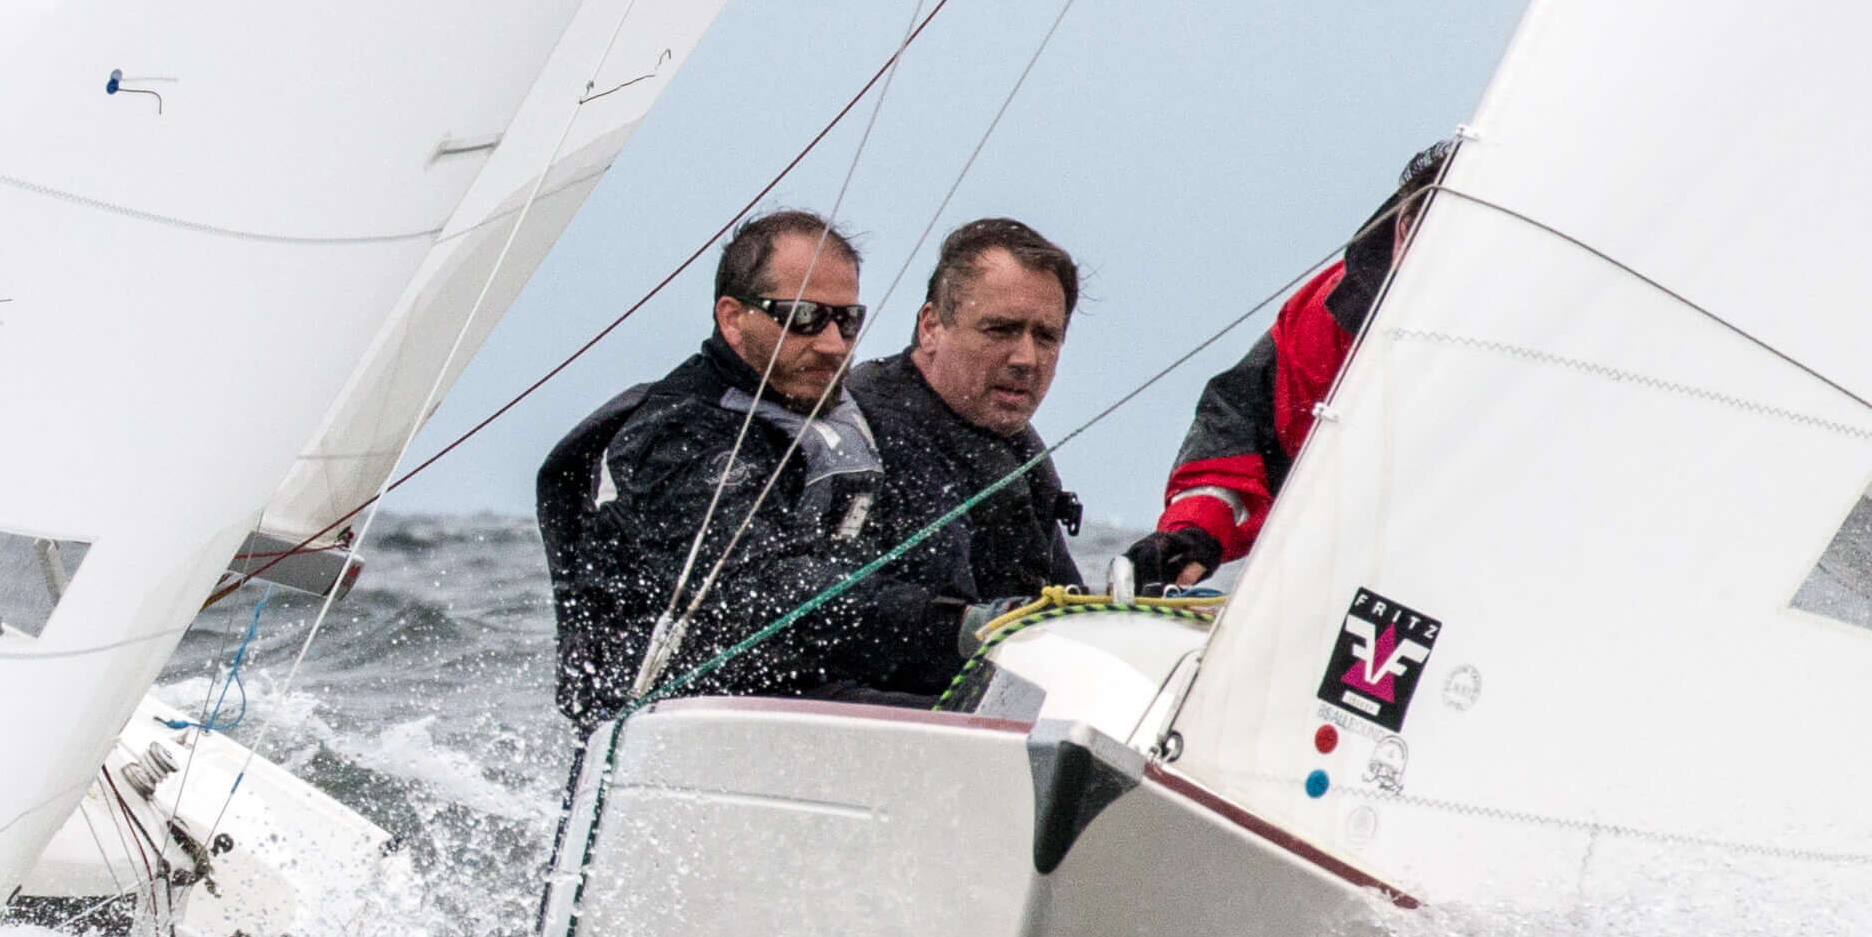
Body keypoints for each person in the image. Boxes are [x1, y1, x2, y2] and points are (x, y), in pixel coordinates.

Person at [537, 211, 909, 728]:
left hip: (810, 698)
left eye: (847, 320)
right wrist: (949, 624)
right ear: (733, 318)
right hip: (683, 727)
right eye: (801, 315)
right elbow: (765, 591)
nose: (832, 344)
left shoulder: (846, 416)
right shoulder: (676, 436)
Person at [1137, 140, 1453, 588]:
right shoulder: (1330, 315)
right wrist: (1194, 531)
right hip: (1339, 581)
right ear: (1402, 227)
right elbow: (1243, 424)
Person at [842, 218, 1087, 697]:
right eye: (1001, 329)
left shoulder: (1015, 449)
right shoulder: (854, 432)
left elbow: (1065, 610)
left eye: (1046, 336)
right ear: (931, 326)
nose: (1026, 358)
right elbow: (826, 618)